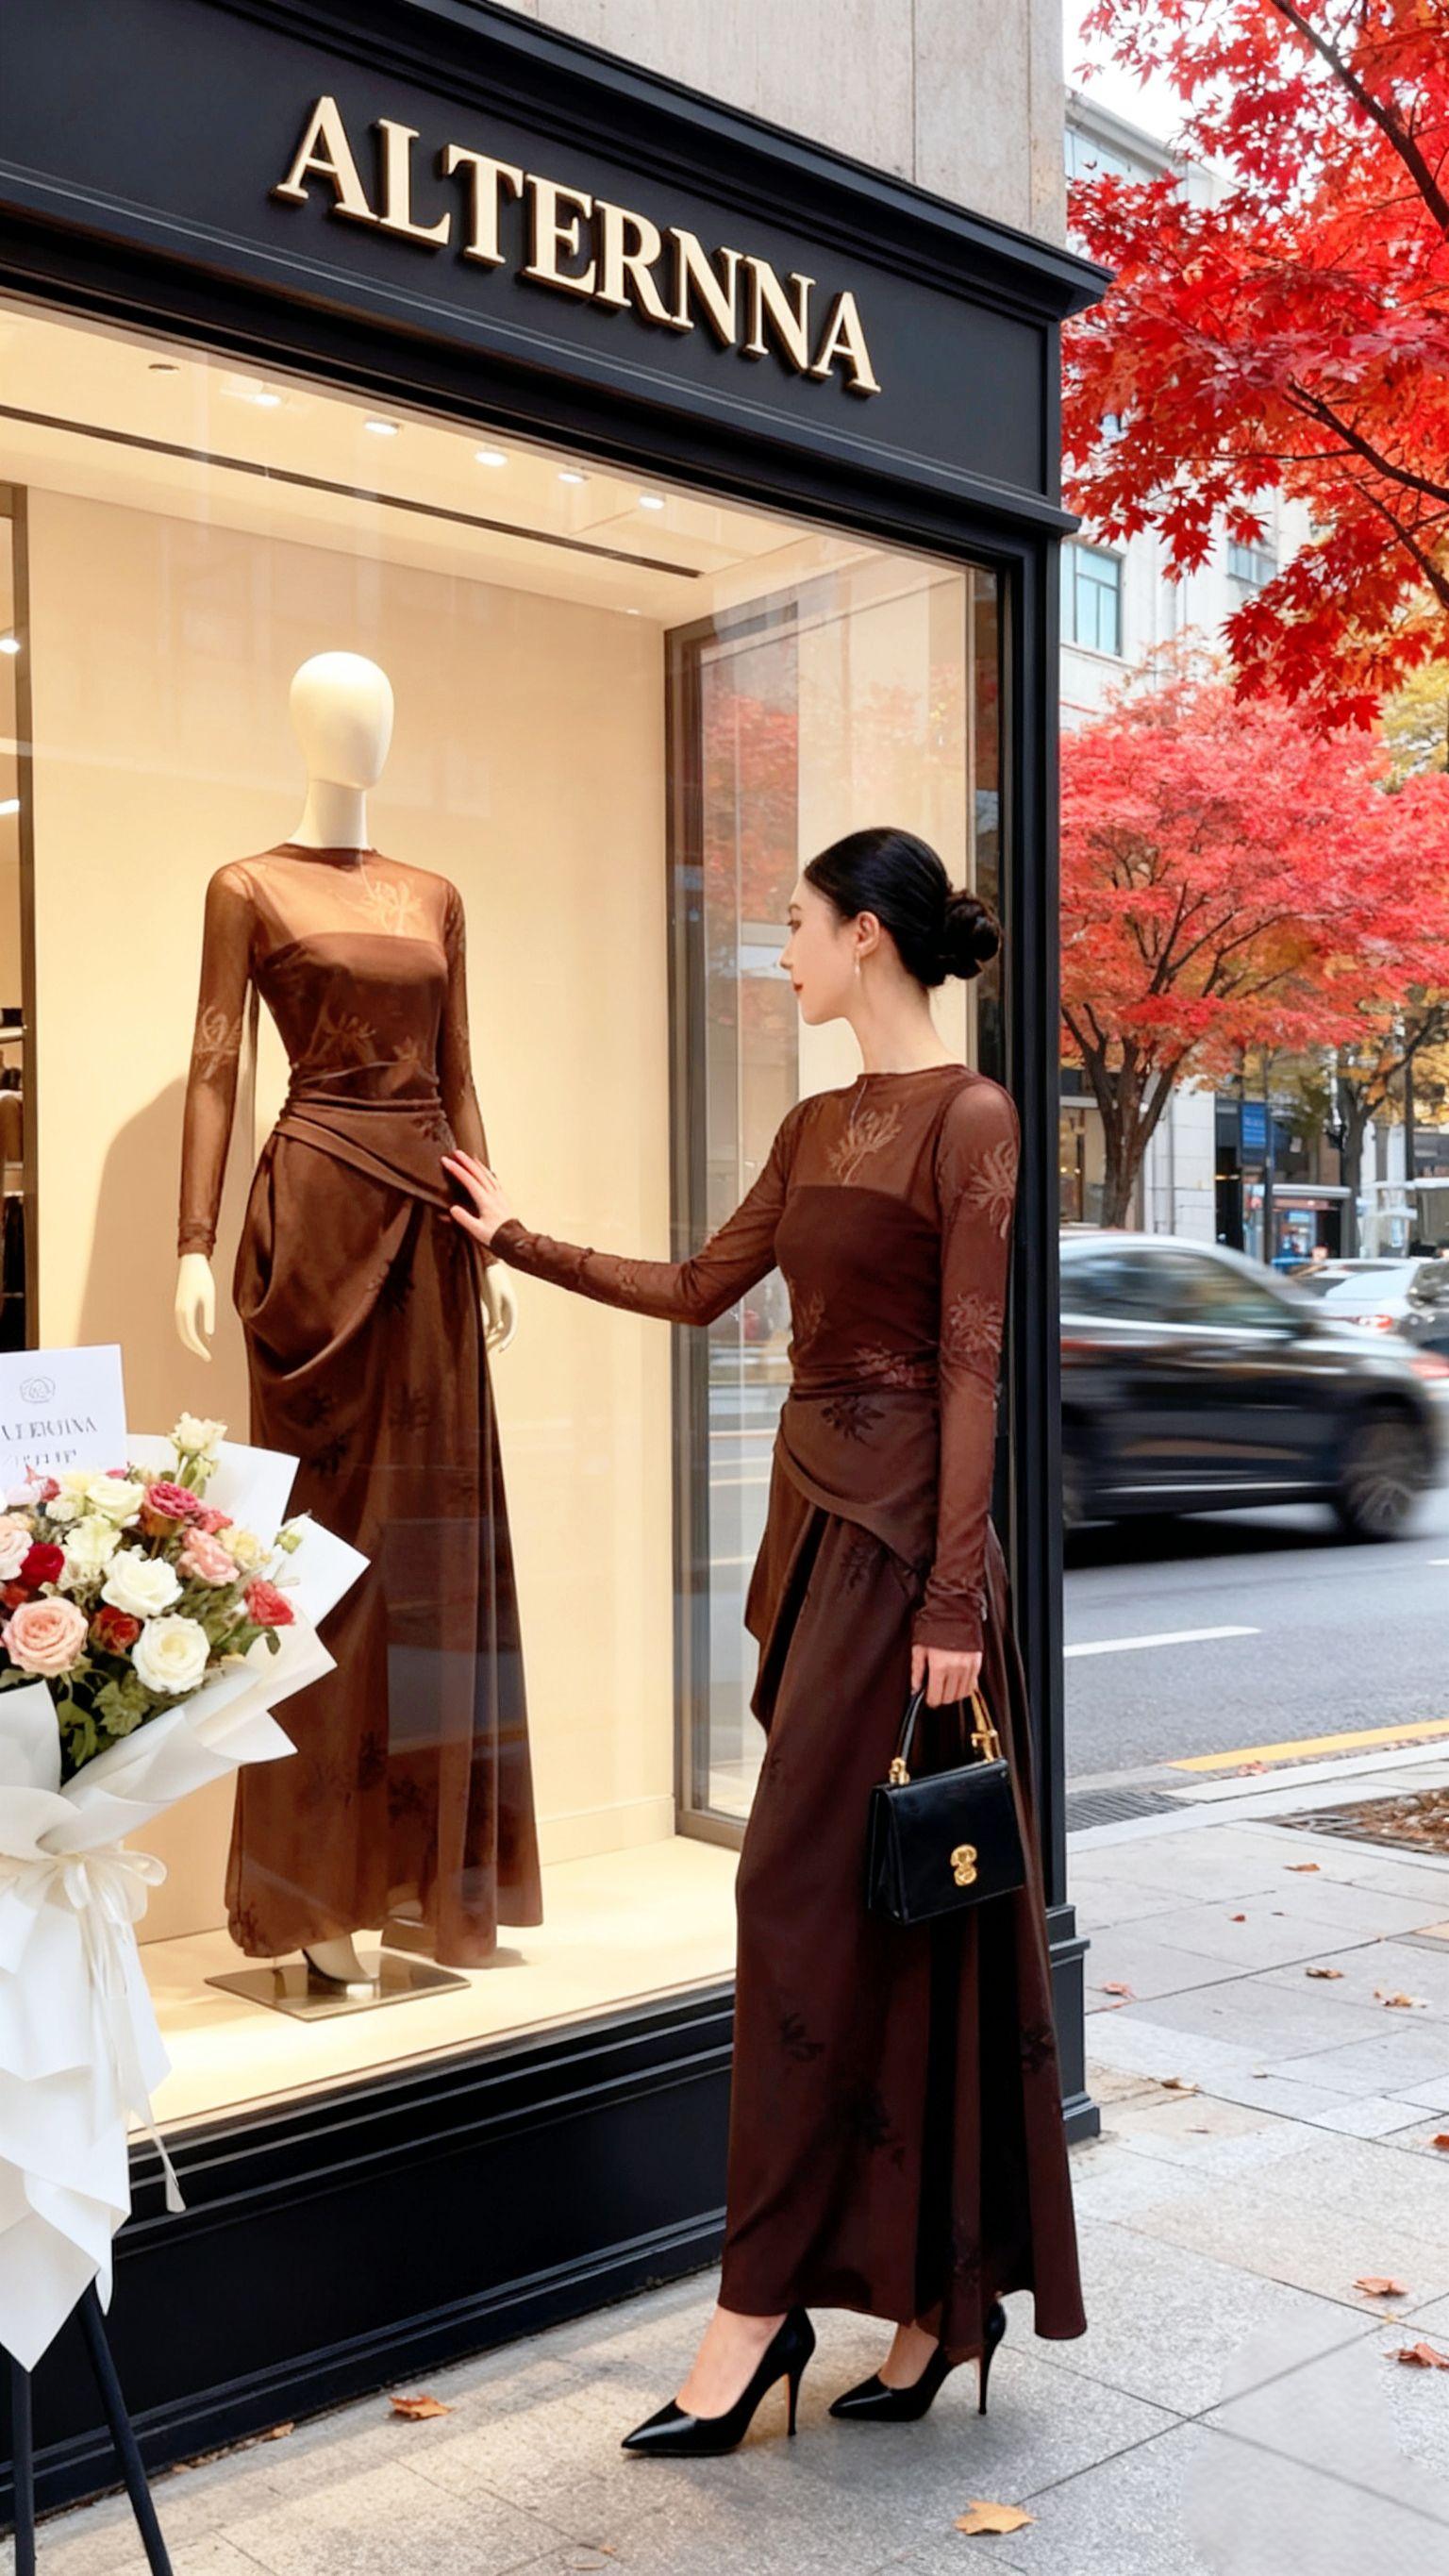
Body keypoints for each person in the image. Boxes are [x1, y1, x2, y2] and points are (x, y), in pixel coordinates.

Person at [443, 825, 1087, 2455]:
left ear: (865, 934)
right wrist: (514, 1236)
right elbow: (695, 1287)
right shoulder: (810, 1124)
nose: (781, 951)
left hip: (906, 1566)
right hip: (815, 1541)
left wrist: (956, 1598)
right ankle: (912, 2302)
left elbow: (973, 1370)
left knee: (817, 1899)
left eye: (795, 925)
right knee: (851, 1913)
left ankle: (774, 2311)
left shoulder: (976, 1117)